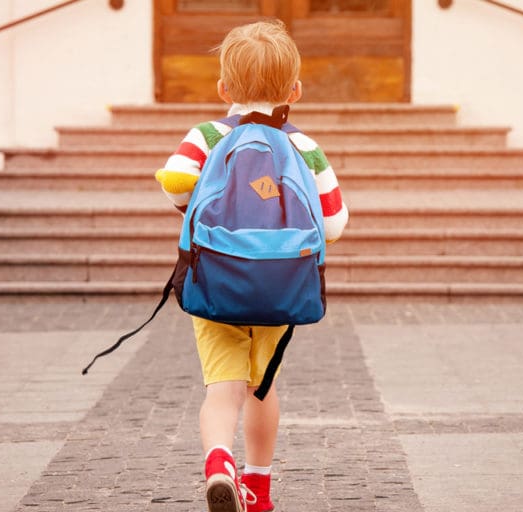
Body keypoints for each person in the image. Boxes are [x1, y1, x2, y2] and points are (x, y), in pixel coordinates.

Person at [153, 19, 349, 512]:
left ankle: (219, 462)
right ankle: (258, 491)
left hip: (215, 280)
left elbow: (175, 179)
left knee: (222, 389)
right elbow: (335, 224)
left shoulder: (208, 134)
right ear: (295, 90)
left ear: (223, 88)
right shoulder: (303, 146)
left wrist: (198, 208)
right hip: (279, 286)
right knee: (262, 388)